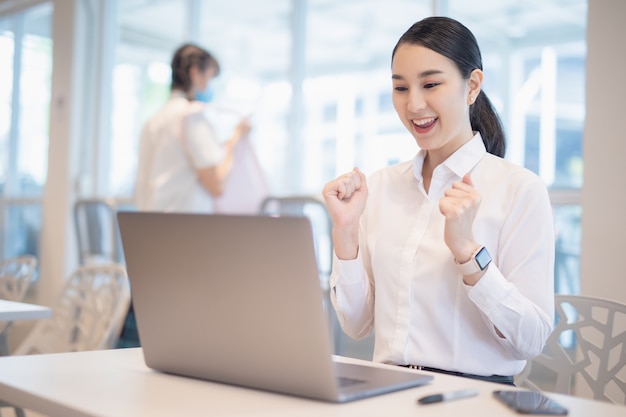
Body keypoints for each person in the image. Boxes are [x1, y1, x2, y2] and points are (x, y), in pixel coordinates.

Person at [322, 16, 554, 385]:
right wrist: (346, 234)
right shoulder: (380, 187)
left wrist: (468, 252)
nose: (414, 104)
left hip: (475, 397)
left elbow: (532, 338)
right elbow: (356, 325)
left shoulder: (519, 190)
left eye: (430, 84)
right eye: (400, 88)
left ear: (472, 85)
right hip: (387, 391)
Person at [135, 43, 251, 213]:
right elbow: (217, 184)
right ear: (195, 73)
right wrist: (236, 138)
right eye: (209, 78)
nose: (209, 87)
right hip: (182, 230)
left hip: (149, 228)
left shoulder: (153, 121)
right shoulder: (191, 117)